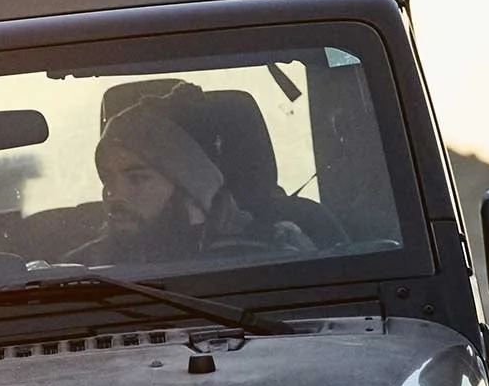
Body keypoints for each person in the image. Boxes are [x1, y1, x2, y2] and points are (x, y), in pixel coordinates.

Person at [65, 89, 317, 265]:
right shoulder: (83, 273)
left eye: (137, 179)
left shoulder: (275, 257)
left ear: (192, 189)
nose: (112, 194)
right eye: (107, 177)